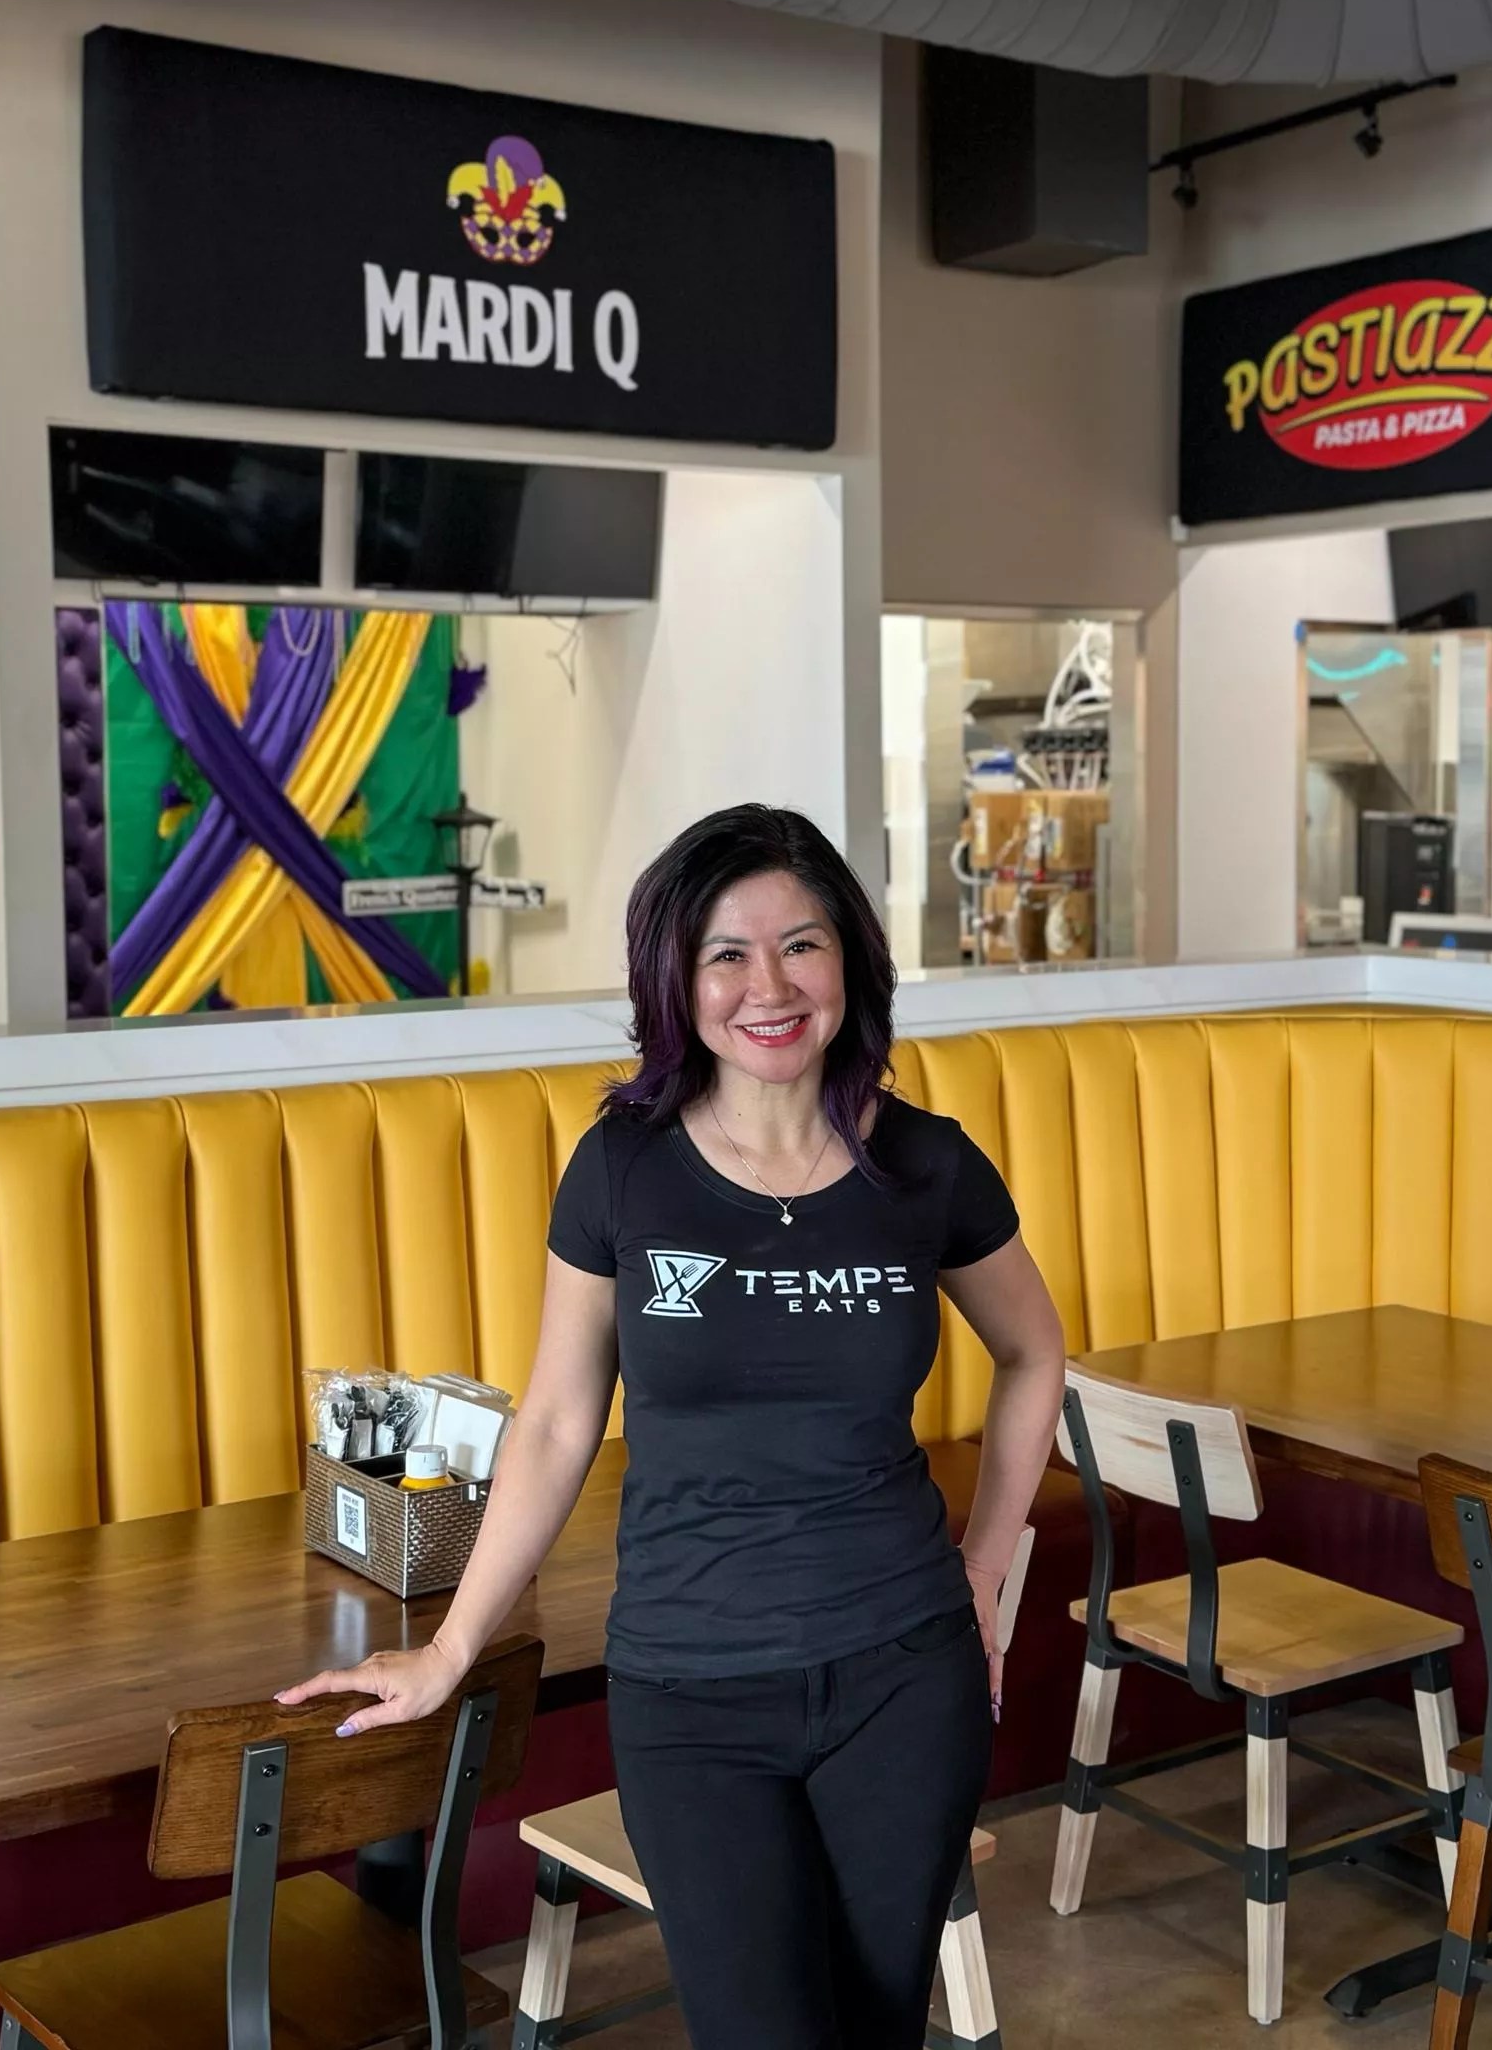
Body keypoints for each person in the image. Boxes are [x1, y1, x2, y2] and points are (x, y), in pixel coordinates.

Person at [281, 803, 1068, 2047]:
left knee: (875, 2026)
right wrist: (450, 1647)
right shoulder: (623, 1168)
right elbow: (554, 1423)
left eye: (801, 946)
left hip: (904, 1674)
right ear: (676, 979)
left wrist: (984, 1570)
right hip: (691, 1692)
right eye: (726, 955)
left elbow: (1033, 1353)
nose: (770, 987)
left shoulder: (929, 1165)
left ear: (850, 960)